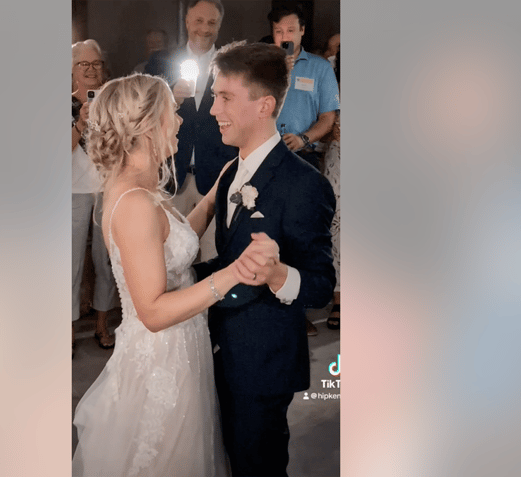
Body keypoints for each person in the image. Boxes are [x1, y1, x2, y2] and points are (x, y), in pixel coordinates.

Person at [71, 73, 277, 476]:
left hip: (183, 345)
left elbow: (176, 243)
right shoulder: (133, 204)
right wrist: (234, 273)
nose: (180, 121)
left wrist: (218, 190)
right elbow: (152, 312)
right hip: (161, 360)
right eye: (173, 112)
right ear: (146, 125)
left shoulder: (142, 188)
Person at [196, 41, 337, 476]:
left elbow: (317, 283)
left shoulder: (304, 185)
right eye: (215, 95)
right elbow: (229, 259)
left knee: (258, 465)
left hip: (264, 362)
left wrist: (278, 273)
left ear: (265, 105)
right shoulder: (232, 169)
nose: (213, 108)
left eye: (225, 98)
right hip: (220, 347)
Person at [144, 0, 238, 261]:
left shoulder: (232, 65)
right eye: (199, 21)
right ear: (187, 21)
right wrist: (171, 97)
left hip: (218, 170)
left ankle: (207, 303)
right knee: (170, 254)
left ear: (219, 25)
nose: (204, 28)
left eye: (211, 22)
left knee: (213, 254)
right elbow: (143, 112)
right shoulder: (160, 62)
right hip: (173, 170)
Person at [71, 39, 118, 350]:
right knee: (69, 264)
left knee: (105, 262)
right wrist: (81, 122)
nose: (90, 69)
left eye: (96, 63)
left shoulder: (114, 101)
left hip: (107, 189)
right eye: (83, 64)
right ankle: (69, 330)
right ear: (72, 69)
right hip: (71, 191)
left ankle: (102, 324)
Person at [269, 5, 340, 171]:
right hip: (267, 152)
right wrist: (276, 71)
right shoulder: (261, 67)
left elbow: (328, 117)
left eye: (290, 30)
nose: (284, 37)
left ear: (302, 30)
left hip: (305, 155)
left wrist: (303, 139)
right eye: (278, 31)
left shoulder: (321, 68)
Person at [323, 48, 341, 330]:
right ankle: (339, 300)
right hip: (339, 158)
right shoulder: (331, 73)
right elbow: (321, 116)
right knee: (337, 230)